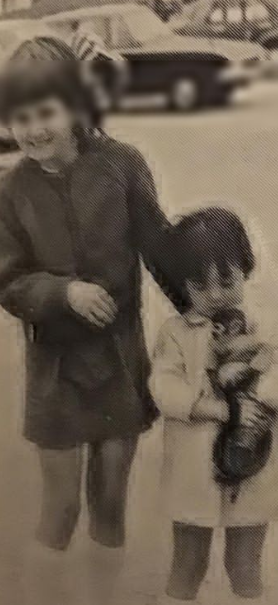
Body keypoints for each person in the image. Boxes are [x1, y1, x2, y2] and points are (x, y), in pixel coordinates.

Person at [0, 37, 173, 604]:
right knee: (62, 504)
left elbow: (159, 246)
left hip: (120, 360)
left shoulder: (122, 165)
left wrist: (212, 301)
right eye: (18, 117)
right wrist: (61, 292)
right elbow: (8, 278)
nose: (33, 130)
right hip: (54, 367)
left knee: (109, 500)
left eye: (45, 112)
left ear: (74, 105)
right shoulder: (10, 189)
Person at [150, 206, 278, 603]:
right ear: (182, 285)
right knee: (188, 561)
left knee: (245, 563)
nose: (215, 295)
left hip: (254, 465)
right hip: (195, 465)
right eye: (200, 284)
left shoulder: (264, 329)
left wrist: (261, 375)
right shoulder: (177, 332)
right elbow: (163, 387)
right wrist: (218, 409)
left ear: (245, 270)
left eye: (227, 279)